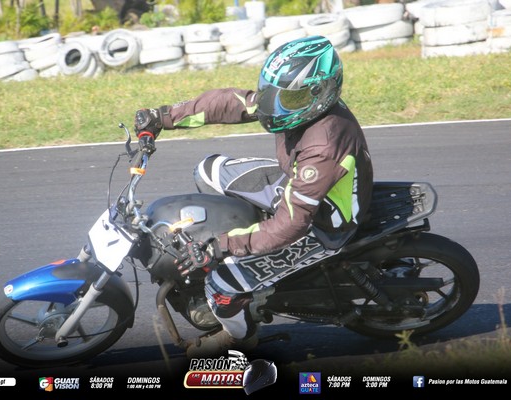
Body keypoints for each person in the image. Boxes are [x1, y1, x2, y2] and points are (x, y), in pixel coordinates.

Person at [133, 35, 374, 357]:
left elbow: (291, 225)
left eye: (289, 97)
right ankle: (252, 246)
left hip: (323, 223)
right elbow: (231, 102)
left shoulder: (324, 147)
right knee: (208, 169)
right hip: (298, 184)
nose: (273, 106)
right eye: (273, 93)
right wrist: (164, 116)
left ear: (320, 93)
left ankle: (240, 339)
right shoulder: (294, 106)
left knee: (221, 287)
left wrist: (221, 246)